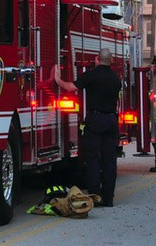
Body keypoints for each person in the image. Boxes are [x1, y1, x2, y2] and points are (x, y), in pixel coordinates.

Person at [53, 48, 122, 207]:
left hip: (95, 120)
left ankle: (94, 195)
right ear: (110, 60)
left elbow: (71, 87)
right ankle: (108, 198)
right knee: (110, 161)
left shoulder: (92, 75)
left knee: (93, 159)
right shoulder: (115, 79)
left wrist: (57, 79)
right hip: (111, 121)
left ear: (97, 59)